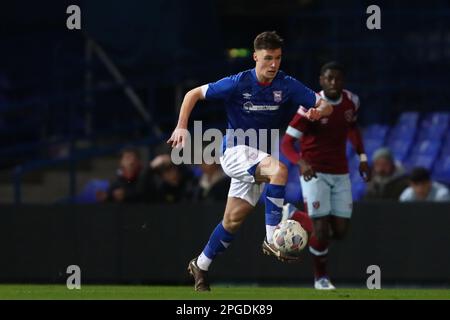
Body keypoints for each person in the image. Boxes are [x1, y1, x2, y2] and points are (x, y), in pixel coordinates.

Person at [167, 31, 333, 291]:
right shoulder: (237, 83)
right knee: (279, 171)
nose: (273, 64)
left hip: (259, 159)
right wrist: (181, 126)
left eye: (278, 58)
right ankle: (272, 238)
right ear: (255, 56)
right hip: (235, 152)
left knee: (232, 221)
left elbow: (326, 105)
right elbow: (192, 94)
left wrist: (317, 110)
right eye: (268, 58)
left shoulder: (287, 85)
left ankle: (200, 265)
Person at [281, 61, 370, 290]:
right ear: (321, 80)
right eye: (328, 78)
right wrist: (300, 163)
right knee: (321, 230)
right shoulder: (308, 107)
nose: (333, 83)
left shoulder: (352, 102)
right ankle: (321, 278)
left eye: (337, 78)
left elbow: (352, 128)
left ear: (343, 81)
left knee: (340, 232)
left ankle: (295, 214)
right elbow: (287, 143)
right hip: (314, 172)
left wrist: (362, 157)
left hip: (340, 172)